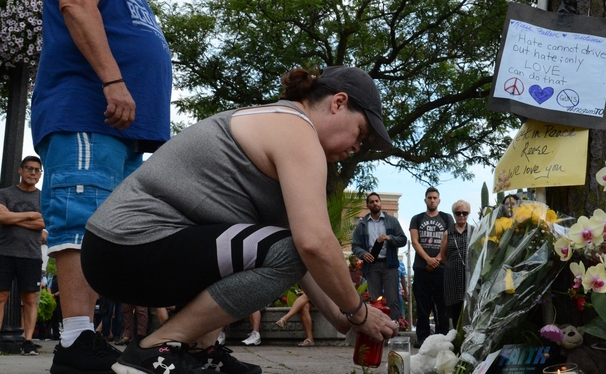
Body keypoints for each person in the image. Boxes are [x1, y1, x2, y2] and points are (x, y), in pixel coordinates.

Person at [81, 66, 398, 374]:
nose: (358, 148)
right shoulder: (297, 130)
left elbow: (300, 253)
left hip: (118, 251)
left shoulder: (280, 122)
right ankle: (154, 350)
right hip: (129, 244)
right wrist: (358, 312)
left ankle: (198, 352)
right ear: (338, 103)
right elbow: (312, 244)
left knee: (275, 247)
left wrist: (339, 316)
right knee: (285, 248)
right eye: (361, 132)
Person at [29, 0, 177, 371]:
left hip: (122, 129)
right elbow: (75, 4)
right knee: (80, 216)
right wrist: (114, 81)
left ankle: (85, 340)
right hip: (87, 112)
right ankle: (75, 341)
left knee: (105, 232)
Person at [0, 156, 45, 356]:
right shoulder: (4, 193)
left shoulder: (44, 198)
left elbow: (43, 224)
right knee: (1, 297)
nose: (33, 173)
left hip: (31, 254)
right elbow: (1, 217)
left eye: (37, 170)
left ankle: (28, 341)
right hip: (4, 252)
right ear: (20, 170)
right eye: (29, 168)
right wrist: (30, 215)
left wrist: (13, 218)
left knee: (30, 299)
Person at [351, 192, 408, 319]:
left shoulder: (392, 221)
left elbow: (403, 240)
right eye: (371, 202)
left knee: (393, 299)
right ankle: (378, 333)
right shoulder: (362, 225)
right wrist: (364, 254)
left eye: (377, 201)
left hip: (390, 264)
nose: (375, 203)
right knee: (375, 301)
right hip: (372, 266)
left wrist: (389, 237)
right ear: (368, 205)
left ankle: (394, 329)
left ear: (380, 202)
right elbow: (355, 246)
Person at [409, 187, 454, 348]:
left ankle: (443, 339)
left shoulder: (447, 218)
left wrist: (438, 259)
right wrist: (428, 260)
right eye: (429, 197)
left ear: (439, 200)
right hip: (422, 269)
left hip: (442, 269)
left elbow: (449, 240)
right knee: (423, 306)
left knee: (442, 306)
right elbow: (415, 241)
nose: (432, 200)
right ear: (425, 200)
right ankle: (422, 339)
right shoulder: (417, 218)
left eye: (435, 197)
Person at [439, 200, 474, 329]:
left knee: (469, 310)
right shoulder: (448, 233)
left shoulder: (474, 231)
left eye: (464, 213)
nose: (461, 216)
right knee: (454, 311)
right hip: (452, 277)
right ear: (454, 214)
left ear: (468, 214)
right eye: (458, 213)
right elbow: (443, 256)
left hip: (469, 277)